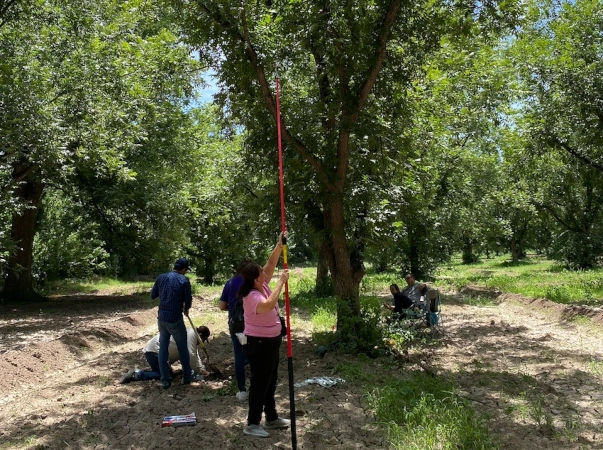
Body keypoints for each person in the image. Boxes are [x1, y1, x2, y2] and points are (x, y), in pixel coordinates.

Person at [238, 233, 290, 438]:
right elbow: (268, 306)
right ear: (256, 278)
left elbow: (270, 262)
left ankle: (271, 417)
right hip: (258, 344)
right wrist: (281, 282)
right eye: (261, 272)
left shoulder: (262, 283)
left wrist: (279, 245)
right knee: (260, 383)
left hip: (271, 342)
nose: (264, 272)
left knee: (270, 380)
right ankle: (252, 423)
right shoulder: (252, 295)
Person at [150, 257, 194, 389]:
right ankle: (187, 376)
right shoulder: (184, 280)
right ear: (184, 269)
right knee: (182, 348)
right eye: (186, 270)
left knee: (163, 349)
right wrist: (186, 309)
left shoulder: (161, 277)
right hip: (175, 319)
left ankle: (165, 379)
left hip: (162, 318)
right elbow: (188, 299)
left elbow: (153, 295)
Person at [120, 326, 210, 383]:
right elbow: (191, 355)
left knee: (167, 373)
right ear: (201, 336)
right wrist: (199, 371)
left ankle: (154, 371)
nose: (202, 343)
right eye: (204, 340)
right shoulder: (191, 335)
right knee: (165, 375)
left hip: (155, 351)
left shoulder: (191, 335)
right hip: (154, 351)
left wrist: (202, 368)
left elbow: (195, 354)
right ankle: (136, 374)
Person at [218, 260, 249, 402]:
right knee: (253, 351)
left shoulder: (230, 283)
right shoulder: (253, 282)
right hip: (252, 324)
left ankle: (242, 390)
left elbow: (222, 306)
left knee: (238, 355)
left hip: (236, 324)